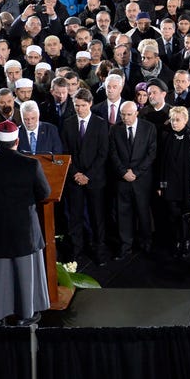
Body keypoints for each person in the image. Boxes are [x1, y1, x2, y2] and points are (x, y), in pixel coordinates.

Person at [0, 119, 51, 326]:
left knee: (1, 273)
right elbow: (44, 193)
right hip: (25, 230)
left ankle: (2, 314)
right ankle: (27, 314)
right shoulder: (31, 164)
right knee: (26, 272)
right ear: (17, 140)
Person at [59, 88, 110, 265]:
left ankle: (99, 250)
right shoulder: (67, 123)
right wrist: (76, 174)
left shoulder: (100, 123)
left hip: (94, 179)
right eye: (76, 105)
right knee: (75, 217)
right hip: (74, 179)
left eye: (82, 105)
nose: (79, 109)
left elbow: (103, 154)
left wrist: (87, 175)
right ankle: (76, 250)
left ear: (90, 104)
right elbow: (65, 153)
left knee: (97, 217)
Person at [110, 102, 157, 259]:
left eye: (129, 114)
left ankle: (146, 243)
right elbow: (113, 154)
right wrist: (123, 172)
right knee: (123, 214)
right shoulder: (115, 129)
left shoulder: (149, 128)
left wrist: (135, 172)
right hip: (122, 179)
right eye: (123, 114)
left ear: (136, 113)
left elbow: (151, 154)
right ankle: (125, 246)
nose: (125, 118)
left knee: (143, 213)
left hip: (141, 179)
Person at [158, 106, 190, 257]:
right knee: (172, 214)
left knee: (186, 214)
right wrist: (161, 184)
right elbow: (162, 162)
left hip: (187, 184)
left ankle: (187, 241)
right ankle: (177, 239)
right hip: (170, 183)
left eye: (177, 120)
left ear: (185, 120)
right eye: (172, 120)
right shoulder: (167, 135)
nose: (174, 123)